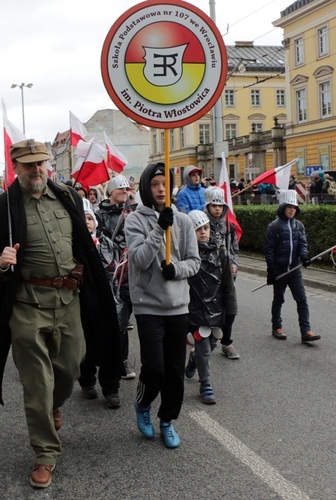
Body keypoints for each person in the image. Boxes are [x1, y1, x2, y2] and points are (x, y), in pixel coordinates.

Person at [0, 139, 119, 489]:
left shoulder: (68, 197)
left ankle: (54, 406)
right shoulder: (1, 207)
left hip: (69, 299)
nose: (36, 170)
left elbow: (82, 243)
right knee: (36, 383)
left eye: (41, 163)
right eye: (29, 165)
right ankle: (45, 453)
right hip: (27, 303)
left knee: (71, 366)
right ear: (15, 167)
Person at [125, 162, 200, 449]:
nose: (160, 189)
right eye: (155, 184)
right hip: (148, 307)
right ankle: (143, 403)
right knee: (154, 369)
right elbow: (140, 260)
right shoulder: (135, 220)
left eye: (165, 185)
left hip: (178, 306)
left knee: (174, 373)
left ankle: (167, 420)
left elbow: (194, 261)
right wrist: (159, 229)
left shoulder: (183, 221)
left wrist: (177, 270)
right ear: (146, 187)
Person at [184, 210, 237, 405]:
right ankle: (205, 384)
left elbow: (228, 285)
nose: (203, 233)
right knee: (204, 348)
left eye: (205, 228)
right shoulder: (187, 255)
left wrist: (231, 310)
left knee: (213, 343)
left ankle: (193, 361)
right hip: (195, 311)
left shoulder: (221, 254)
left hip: (216, 310)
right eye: (198, 230)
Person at [78, 200, 123, 409]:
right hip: (81, 302)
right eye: (83, 217)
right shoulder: (73, 246)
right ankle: (86, 380)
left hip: (107, 302)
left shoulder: (106, 244)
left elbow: (117, 271)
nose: (86, 222)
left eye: (89, 218)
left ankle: (111, 387)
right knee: (84, 343)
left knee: (110, 342)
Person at [265, 190, 320, 343]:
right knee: (279, 299)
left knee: (302, 299)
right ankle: (276, 327)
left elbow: (302, 243)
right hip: (280, 270)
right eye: (289, 207)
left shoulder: (299, 225)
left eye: (294, 207)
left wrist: (304, 256)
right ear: (282, 207)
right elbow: (269, 250)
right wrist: (271, 270)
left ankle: (306, 331)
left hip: (295, 270)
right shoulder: (273, 227)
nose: (292, 210)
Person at [95, 174, 137, 379]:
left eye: (127, 189)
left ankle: (122, 359)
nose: (124, 192)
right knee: (110, 318)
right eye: (120, 189)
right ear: (110, 191)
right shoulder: (99, 215)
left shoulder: (133, 213)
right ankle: (105, 359)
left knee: (123, 318)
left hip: (130, 272)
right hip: (108, 273)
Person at [204, 186, 240, 359]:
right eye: (213, 205)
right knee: (208, 311)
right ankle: (201, 344)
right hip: (207, 276)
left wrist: (234, 264)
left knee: (230, 310)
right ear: (207, 206)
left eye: (220, 205)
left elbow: (234, 249)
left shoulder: (229, 226)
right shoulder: (200, 225)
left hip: (226, 275)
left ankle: (227, 342)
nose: (217, 209)